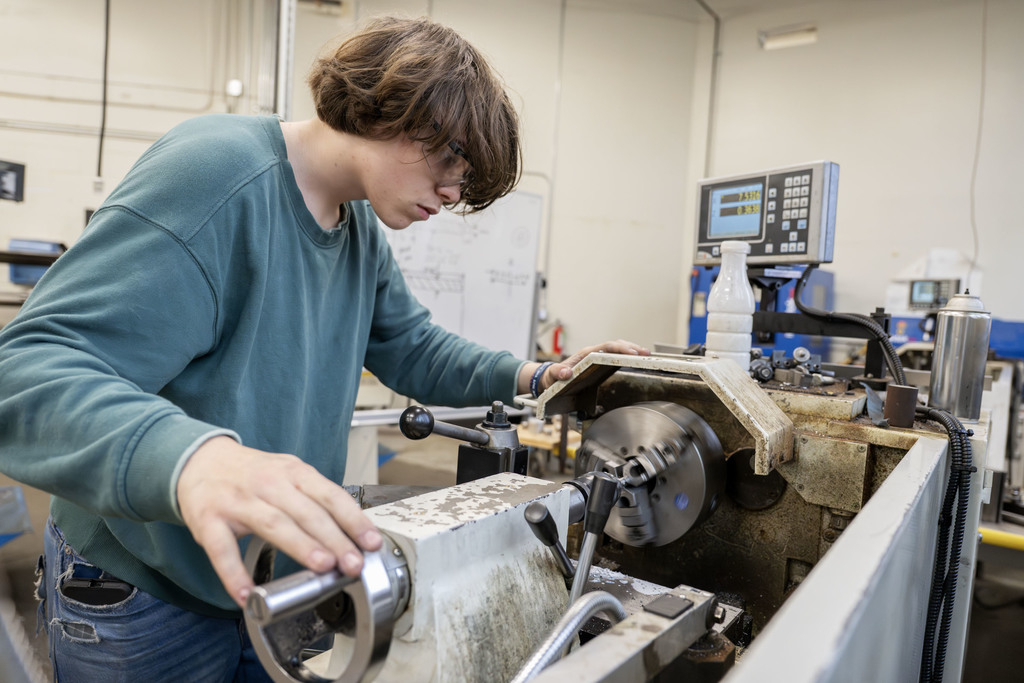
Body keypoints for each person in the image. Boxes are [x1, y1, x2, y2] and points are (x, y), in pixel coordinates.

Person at [0, 15, 648, 682]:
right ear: (393, 107)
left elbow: (414, 348)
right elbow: (24, 369)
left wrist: (541, 374)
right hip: (144, 586)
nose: (454, 192)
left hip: (270, 590)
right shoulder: (219, 175)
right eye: (451, 159)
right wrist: (190, 458)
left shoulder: (359, 228)